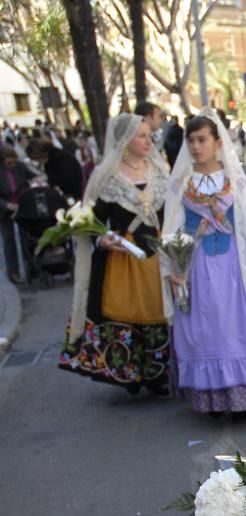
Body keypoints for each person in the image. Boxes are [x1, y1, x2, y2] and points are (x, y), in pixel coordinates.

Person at [161, 111, 246, 418]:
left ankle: (243, 396)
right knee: (207, 329)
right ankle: (213, 398)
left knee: (236, 327)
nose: (196, 146)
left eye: (202, 140)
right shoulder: (181, 183)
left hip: (234, 267)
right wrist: (174, 267)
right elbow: (171, 228)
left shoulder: (234, 180)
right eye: (191, 140)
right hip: (198, 266)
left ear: (217, 142)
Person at [57, 114, 171, 395]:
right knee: (124, 311)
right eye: (141, 136)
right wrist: (102, 240)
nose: (148, 141)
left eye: (149, 135)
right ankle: (128, 373)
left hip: (155, 255)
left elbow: (173, 212)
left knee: (158, 310)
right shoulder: (106, 178)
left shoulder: (159, 171)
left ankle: (158, 374)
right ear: (124, 140)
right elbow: (89, 221)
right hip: (123, 258)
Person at [0, 145, 36, 281]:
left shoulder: (20, 167)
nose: (12, 165)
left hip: (21, 205)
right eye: (9, 163)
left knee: (26, 238)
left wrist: (37, 180)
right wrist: (6, 205)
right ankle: (13, 272)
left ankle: (32, 268)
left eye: (14, 162)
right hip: (5, 209)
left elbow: (33, 176)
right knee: (8, 239)